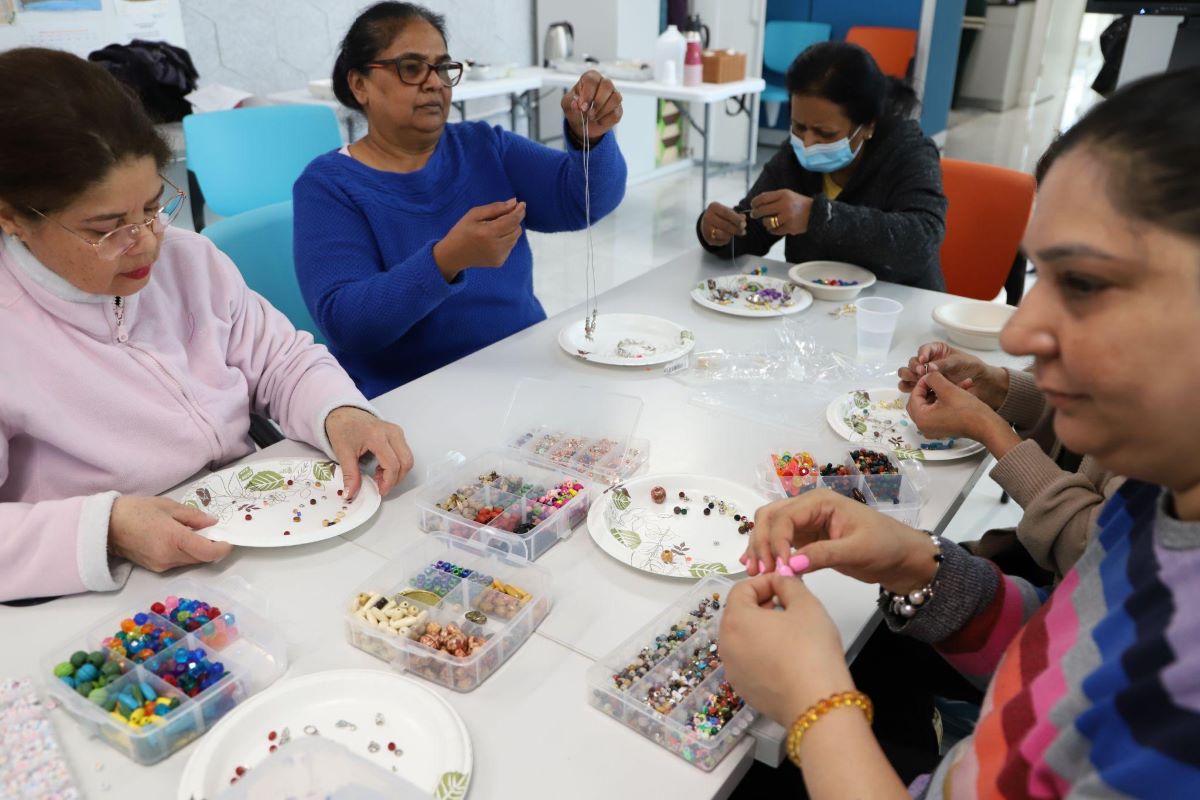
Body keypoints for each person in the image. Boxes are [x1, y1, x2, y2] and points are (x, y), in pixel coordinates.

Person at [723, 67, 1200, 798]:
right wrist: (919, 565)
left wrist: (817, 708)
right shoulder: (1151, 499)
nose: (1021, 327)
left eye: (1085, 284)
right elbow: (1059, 649)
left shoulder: (1176, 709)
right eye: (1037, 276)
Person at [0, 48, 413, 604]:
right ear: (11, 218)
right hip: (111, 586)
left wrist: (338, 410)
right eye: (106, 227)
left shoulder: (187, 260)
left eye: (152, 206)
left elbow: (280, 359)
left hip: (252, 523)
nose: (146, 241)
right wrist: (108, 530)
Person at [294, 2, 627, 397]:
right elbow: (348, 324)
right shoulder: (329, 186)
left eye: (442, 69)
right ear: (359, 84)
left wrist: (592, 136)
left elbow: (582, 201)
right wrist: (446, 260)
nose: (434, 83)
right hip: (413, 397)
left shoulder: (483, 146)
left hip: (523, 371)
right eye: (412, 68)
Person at [697, 41, 946, 290]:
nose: (807, 143)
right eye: (798, 127)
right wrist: (718, 231)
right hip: (813, 310)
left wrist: (819, 216)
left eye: (825, 133)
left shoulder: (907, 151)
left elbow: (922, 238)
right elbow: (752, 230)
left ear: (868, 126)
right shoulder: (792, 158)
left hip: (893, 309)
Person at [899, 344, 1123, 580]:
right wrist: (996, 387)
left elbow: (1093, 555)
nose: (1015, 333)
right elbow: (1094, 418)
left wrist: (989, 428)